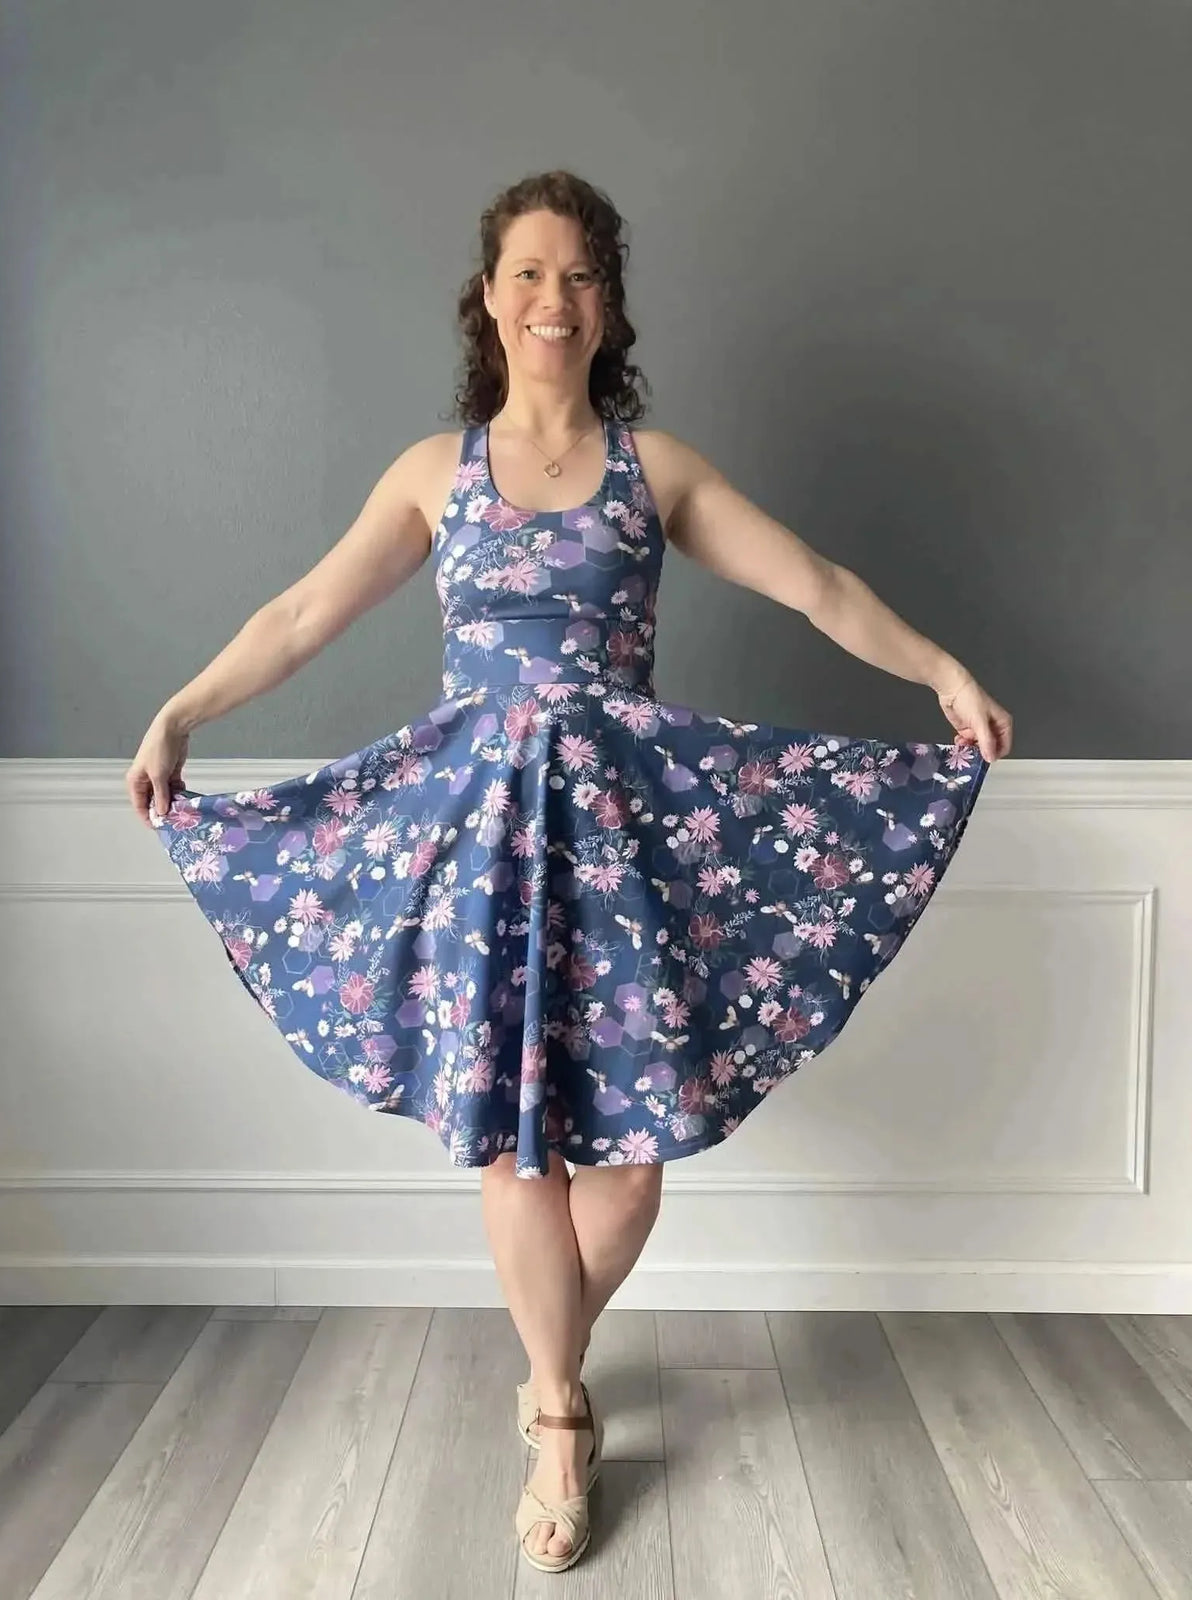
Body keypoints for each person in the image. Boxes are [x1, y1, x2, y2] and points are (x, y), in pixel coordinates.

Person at [125, 169, 1012, 1573]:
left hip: (623, 840)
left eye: (583, 274)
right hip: (480, 840)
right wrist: (182, 712)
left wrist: (945, 670)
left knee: (636, 1162)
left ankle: (550, 1358)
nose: (556, 298)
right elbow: (301, 611)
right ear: (489, 297)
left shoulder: (658, 474)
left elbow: (819, 586)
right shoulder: (435, 472)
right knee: (512, 1137)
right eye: (530, 272)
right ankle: (556, 1413)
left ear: (610, 306)